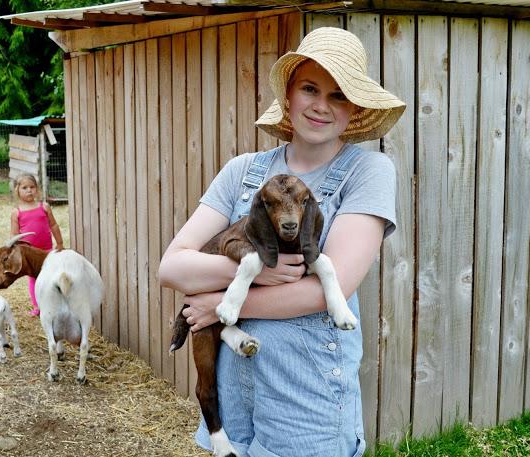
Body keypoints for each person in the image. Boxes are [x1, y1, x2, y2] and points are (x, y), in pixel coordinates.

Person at [159, 27, 405, 457]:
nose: (321, 105)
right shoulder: (242, 171)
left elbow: (331, 290)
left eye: (338, 95)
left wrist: (214, 305)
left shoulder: (368, 173)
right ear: (289, 96)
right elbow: (172, 267)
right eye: (310, 88)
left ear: (354, 109)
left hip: (306, 406)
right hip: (232, 398)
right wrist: (254, 270)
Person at [10, 173, 64, 316]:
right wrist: (17, 253)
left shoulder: (44, 207)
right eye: (25, 187)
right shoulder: (17, 212)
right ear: (17, 190)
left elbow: (53, 225)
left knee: (51, 275)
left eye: (32, 187)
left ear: (37, 189)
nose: (29, 190)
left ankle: (55, 302)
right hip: (30, 253)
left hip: (47, 250)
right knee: (34, 278)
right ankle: (37, 306)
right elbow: (15, 235)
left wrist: (60, 243)